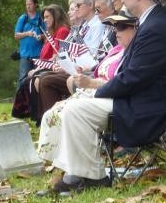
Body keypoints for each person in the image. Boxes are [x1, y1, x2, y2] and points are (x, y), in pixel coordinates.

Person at [39, 0, 166, 193]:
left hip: (148, 104)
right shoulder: (151, 21)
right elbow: (133, 74)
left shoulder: (156, 26)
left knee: (77, 110)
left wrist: (98, 90)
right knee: (73, 106)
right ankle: (79, 174)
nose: (121, 0)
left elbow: (135, 77)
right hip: (140, 95)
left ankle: (90, 176)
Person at [38, 12, 138, 167]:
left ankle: (81, 169)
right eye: (114, 28)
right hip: (98, 92)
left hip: (114, 97)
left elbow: (123, 83)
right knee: (53, 112)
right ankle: (61, 162)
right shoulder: (116, 50)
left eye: (122, 27)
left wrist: (91, 84)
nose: (116, 32)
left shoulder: (136, 53)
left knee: (70, 110)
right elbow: (98, 68)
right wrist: (85, 70)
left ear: (136, 29)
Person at [13, 0, 46, 86]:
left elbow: (47, 34)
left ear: (35, 5)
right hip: (25, 55)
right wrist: (27, 33)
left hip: (39, 55)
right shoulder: (23, 18)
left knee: (38, 78)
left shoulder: (41, 18)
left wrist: (41, 36)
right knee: (23, 79)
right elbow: (16, 35)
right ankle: (22, 99)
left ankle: (37, 99)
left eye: (30, 4)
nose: (28, 6)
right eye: (27, 4)